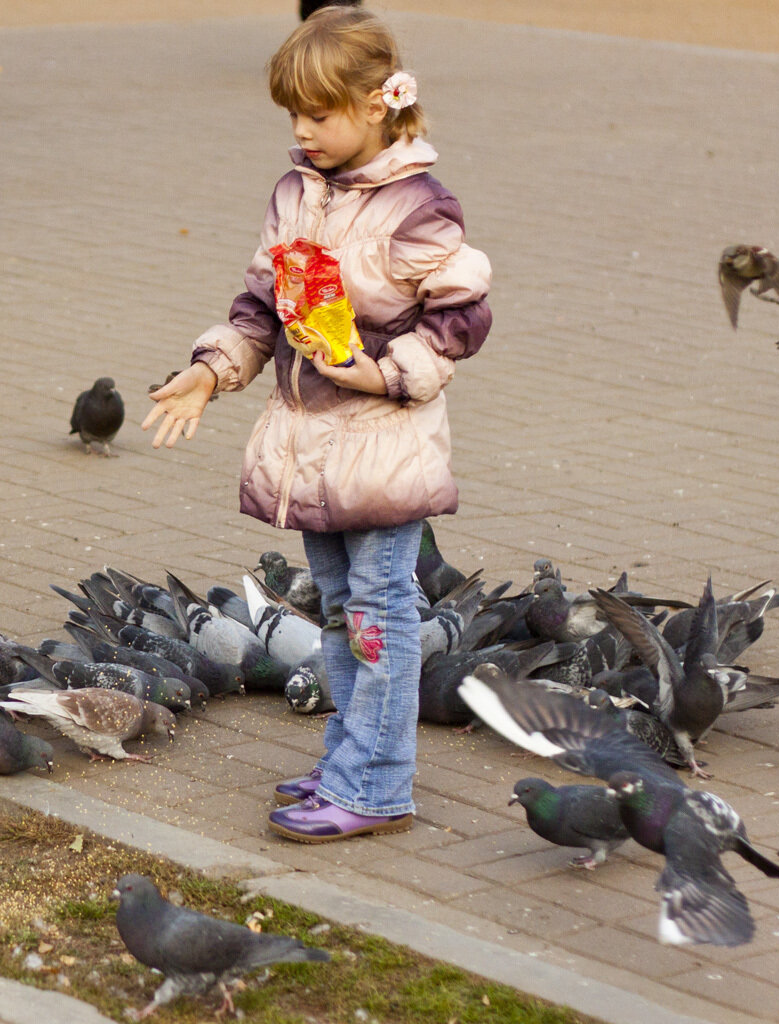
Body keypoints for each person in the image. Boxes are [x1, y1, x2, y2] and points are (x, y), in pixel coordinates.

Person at [142, 6, 491, 843]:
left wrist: (381, 372)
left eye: (319, 114)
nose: (302, 131)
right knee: (339, 613)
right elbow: (263, 305)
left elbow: (463, 319)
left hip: (380, 447)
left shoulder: (419, 209)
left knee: (378, 616)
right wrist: (208, 370)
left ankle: (374, 785)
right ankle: (350, 756)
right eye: (293, 114)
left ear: (378, 103)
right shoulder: (298, 190)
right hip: (310, 444)